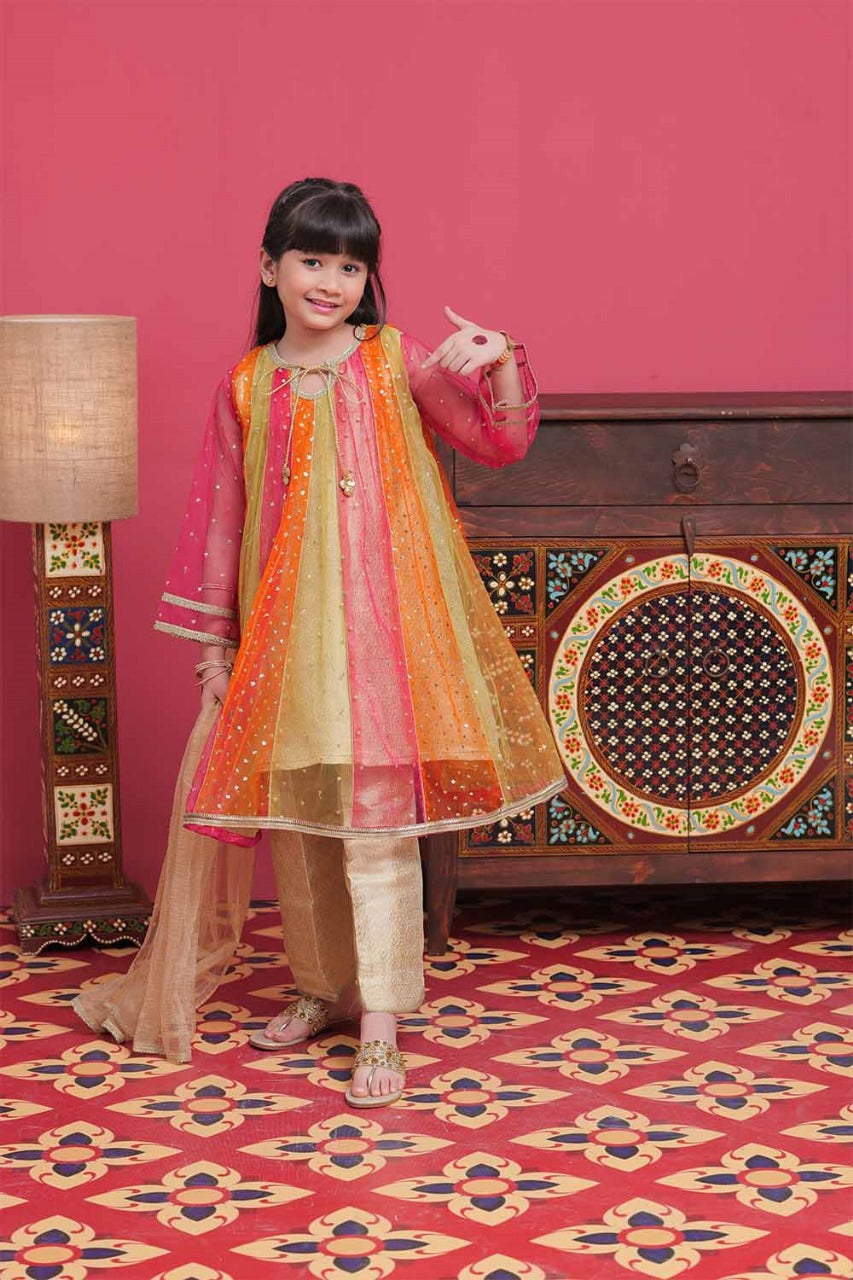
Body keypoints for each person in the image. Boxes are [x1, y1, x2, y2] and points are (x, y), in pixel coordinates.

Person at [76, 178, 565, 1106]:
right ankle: (323, 988)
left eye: (350, 266)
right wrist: (215, 653)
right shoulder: (246, 384)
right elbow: (225, 525)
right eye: (312, 261)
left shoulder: (391, 359)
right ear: (270, 267)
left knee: (376, 831)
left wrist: (502, 356)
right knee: (300, 828)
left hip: (384, 641)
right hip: (285, 643)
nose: (331, 283)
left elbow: (499, 442)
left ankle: (380, 1020)